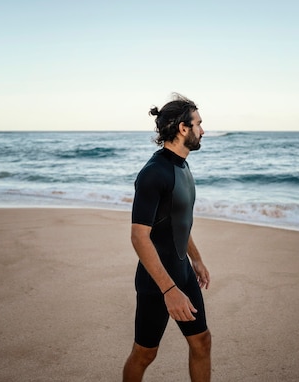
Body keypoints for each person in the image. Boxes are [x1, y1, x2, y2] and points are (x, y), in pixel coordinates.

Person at [123, 93, 211, 382]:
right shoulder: (153, 173)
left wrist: (195, 259)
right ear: (183, 128)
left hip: (183, 271)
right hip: (156, 282)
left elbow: (177, 222)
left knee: (202, 341)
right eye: (198, 123)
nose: (203, 130)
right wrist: (169, 290)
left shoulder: (182, 165)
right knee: (145, 353)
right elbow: (139, 237)